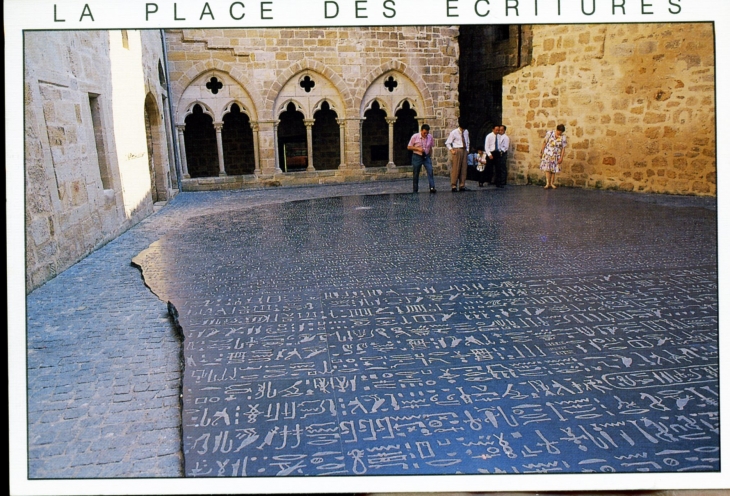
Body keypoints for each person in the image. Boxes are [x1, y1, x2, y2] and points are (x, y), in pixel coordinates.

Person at [407, 124, 436, 193]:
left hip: (426, 156)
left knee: (430, 170)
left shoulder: (430, 137)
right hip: (417, 156)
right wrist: (417, 149)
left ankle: (432, 187)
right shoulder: (415, 136)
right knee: (416, 173)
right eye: (424, 133)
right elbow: (409, 147)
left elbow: (431, 146)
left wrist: (430, 155)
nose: (425, 134)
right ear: (421, 131)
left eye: (427, 133)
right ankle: (415, 189)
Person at [539, 124, 567, 189]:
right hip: (548, 153)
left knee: (553, 170)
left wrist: (561, 157)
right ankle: (547, 183)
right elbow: (544, 142)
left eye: (561, 132)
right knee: (547, 169)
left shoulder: (563, 137)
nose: (559, 133)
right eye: (559, 132)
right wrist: (541, 152)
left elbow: (563, 148)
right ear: (557, 130)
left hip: (556, 155)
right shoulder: (550, 133)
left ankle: (552, 183)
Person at [445, 121, 470, 191]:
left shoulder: (466, 132)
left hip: (464, 149)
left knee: (464, 168)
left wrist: (467, 149)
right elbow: (448, 143)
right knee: (456, 168)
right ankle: (454, 185)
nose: (463, 130)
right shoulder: (454, 132)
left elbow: (468, 141)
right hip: (457, 149)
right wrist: (451, 150)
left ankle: (462, 185)